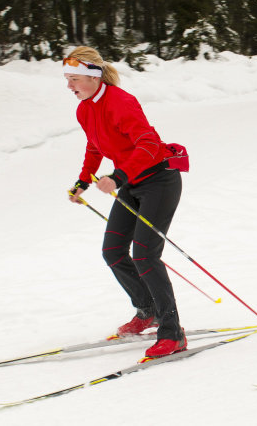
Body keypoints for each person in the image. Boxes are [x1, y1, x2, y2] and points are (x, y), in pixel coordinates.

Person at [64, 46, 187, 358]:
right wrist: (83, 181)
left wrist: (118, 177)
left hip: (158, 180)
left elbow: (147, 143)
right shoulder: (84, 109)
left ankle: (173, 334)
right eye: (67, 79)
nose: (69, 86)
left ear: (93, 77)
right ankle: (147, 311)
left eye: (74, 78)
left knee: (145, 256)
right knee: (113, 252)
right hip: (131, 182)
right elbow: (95, 145)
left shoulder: (121, 102)